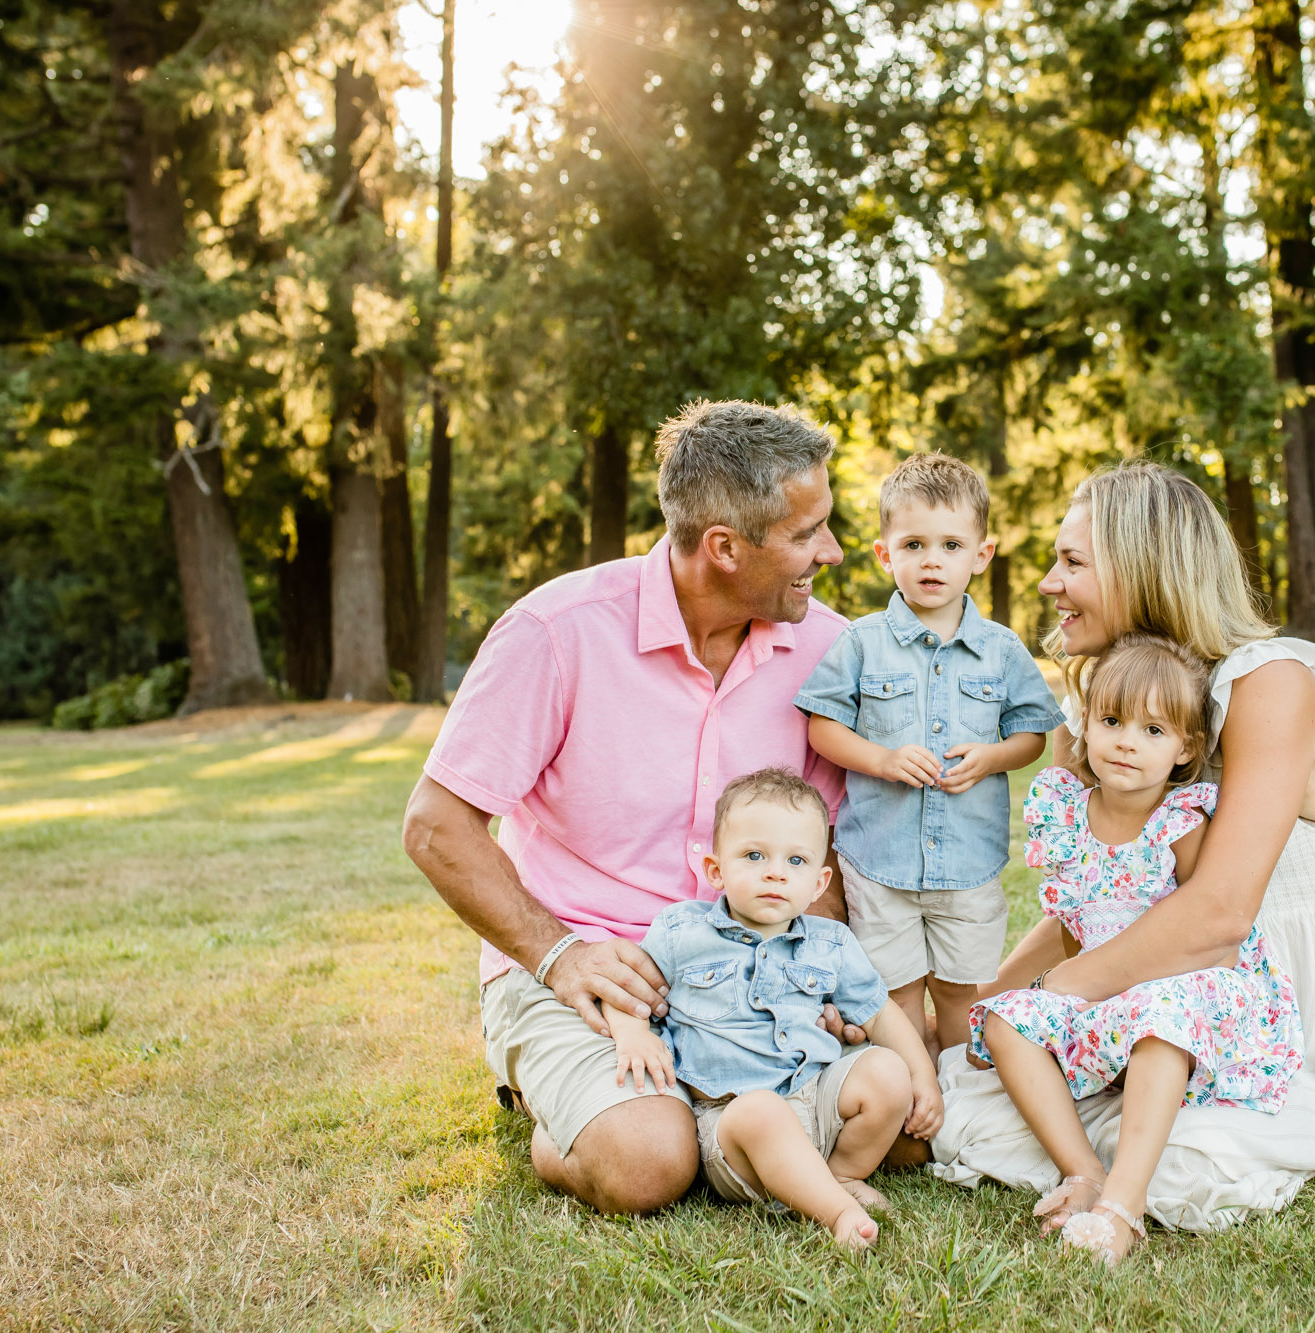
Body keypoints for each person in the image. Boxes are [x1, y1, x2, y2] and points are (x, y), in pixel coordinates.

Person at [401, 400, 864, 1215]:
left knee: (891, 1122)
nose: (830, 551)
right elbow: (435, 826)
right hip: (591, 970)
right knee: (649, 1162)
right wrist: (558, 952)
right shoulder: (558, 630)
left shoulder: (829, 650)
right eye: (806, 533)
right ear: (724, 547)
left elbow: (823, 843)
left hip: (756, 965)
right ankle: (572, 1102)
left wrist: (821, 974)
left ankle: (679, 1103)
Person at [929, 461, 1315, 1230]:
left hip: (1237, 1001)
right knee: (954, 1090)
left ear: (1145, 566)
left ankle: (1120, 1180)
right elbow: (1094, 900)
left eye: (1072, 562)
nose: (1046, 583)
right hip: (1119, 981)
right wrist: (987, 1005)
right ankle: (1088, 1151)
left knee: (1186, 1172)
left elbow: (1222, 912)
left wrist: (1057, 993)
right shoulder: (1108, 705)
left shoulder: (1268, 681)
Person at [967, 634, 1304, 1262]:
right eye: (1113, 721)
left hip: (1192, 984)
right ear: (1087, 722)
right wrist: (1029, 993)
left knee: (1158, 1014)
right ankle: (1083, 1171)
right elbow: (1074, 923)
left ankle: (1123, 1204)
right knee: (1007, 1022)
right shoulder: (1066, 811)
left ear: (1186, 750)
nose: (1127, 741)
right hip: (1104, 989)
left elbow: (1208, 933)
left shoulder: (1181, 822)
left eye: (1154, 730)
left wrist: (1130, 988)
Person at [606, 769, 942, 1249]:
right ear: (716, 869)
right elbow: (628, 990)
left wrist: (922, 1076)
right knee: (761, 1111)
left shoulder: (831, 943)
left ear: (818, 880)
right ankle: (838, 1212)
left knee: (887, 1070)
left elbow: (878, 1012)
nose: (775, 872)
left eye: (796, 860)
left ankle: (840, 1174)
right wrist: (633, 1033)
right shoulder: (683, 933)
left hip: (815, 1104)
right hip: (733, 1129)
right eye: (754, 855)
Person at [794, 454, 1062, 1055]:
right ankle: (914, 1099)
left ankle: (957, 1095)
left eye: (950, 545)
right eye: (913, 545)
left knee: (961, 991)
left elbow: (1032, 736)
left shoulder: (1001, 649)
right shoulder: (860, 643)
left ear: (981, 555)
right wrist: (882, 761)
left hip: (968, 863)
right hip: (881, 858)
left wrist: (992, 758)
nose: (932, 560)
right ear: (886, 554)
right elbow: (823, 728)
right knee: (898, 994)